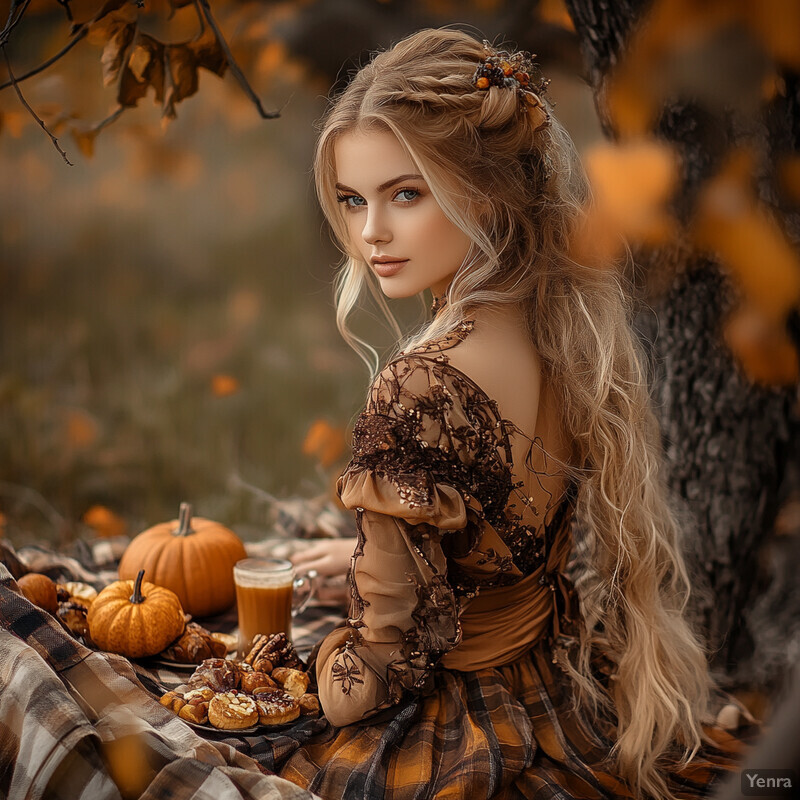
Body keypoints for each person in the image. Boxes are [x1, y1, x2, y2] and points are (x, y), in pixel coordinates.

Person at [277, 27, 754, 800]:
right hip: (555, 699)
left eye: (406, 193)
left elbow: (373, 678)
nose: (371, 234)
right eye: (352, 200)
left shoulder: (418, 385)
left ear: (486, 187)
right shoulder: (566, 327)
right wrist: (374, 566)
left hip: (459, 734)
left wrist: (332, 650)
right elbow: (495, 546)